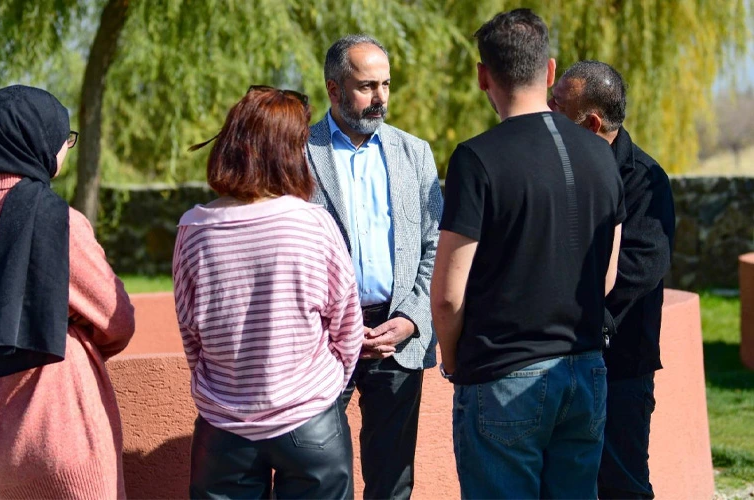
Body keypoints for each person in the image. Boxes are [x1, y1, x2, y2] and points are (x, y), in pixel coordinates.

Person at [430, 9, 625, 499]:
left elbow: (448, 295)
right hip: (584, 369)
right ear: (551, 70)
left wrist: (453, 362)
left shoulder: (476, 159)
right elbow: (607, 276)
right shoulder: (602, 154)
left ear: (483, 76)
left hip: (502, 376)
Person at [0, 85, 136, 498]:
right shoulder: (56, 219)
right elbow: (118, 320)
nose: (66, 147)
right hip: (65, 427)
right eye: (64, 138)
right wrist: (71, 322)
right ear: (35, 139)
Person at [175, 86, 363, 499]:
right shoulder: (313, 223)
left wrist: (225, 387)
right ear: (288, 152)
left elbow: (191, 332)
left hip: (223, 429)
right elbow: (348, 326)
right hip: (310, 421)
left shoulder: (193, 229)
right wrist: (324, 386)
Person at [306, 34, 442, 499]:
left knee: (392, 484)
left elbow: (435, 246)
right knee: (319, 480)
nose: (380, 97)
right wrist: (334, 324)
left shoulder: (414, 153)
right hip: (323, 342)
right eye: (366, 86)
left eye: (385, 84)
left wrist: (412, 318)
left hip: (395, 337)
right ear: (334, 88)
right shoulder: (299, 152)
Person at [550, 60, 675, 499]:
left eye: (558, 105)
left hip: (619, 369)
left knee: (621, 486)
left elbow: (639, 267)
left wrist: (568, 311)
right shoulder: (555, 168)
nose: (546, 109)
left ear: (591, 123)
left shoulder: (644, 180)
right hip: (554, 362)